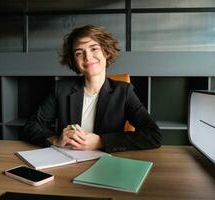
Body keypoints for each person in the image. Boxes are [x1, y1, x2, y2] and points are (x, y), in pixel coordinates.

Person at [23, 24, 161, 153]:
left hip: (107, 163)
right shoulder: (61, 89)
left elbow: (153, 135)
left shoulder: (123, 92)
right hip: (67, 160)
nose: (87, 57)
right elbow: (31, 127)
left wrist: (101, 141)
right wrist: (56, 140)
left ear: (106, 52)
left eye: (94, 48)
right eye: (79, 53)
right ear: (74, 62)